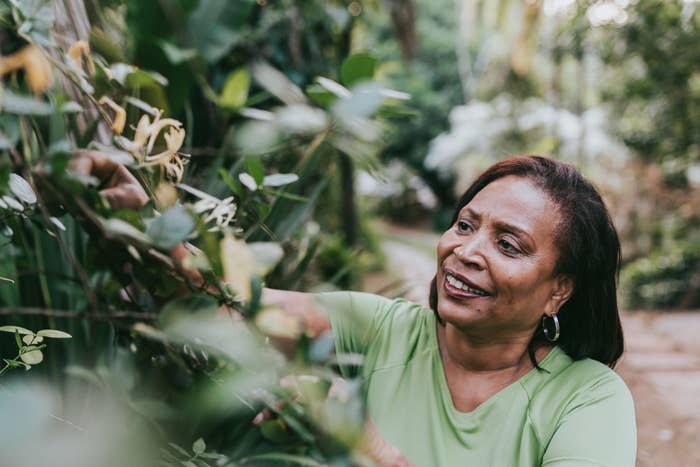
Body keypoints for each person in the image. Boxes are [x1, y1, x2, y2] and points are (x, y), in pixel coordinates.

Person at [74, 153, 636, 466]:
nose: (466, 251)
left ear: (559, 290)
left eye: (508, 245)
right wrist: (148, 226)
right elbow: (232, 306)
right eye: (465, 224)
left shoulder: (587, 398)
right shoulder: (386, 329)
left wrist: (371, 451)